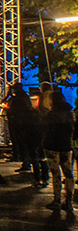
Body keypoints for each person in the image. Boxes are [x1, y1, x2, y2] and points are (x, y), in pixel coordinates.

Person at [43, 84, 74, 219]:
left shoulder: (51, 114)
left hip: (52, 146)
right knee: (68, 174)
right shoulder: (69, 113)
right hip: (66, 146)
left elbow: (47, 130)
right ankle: (69, 201)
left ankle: (56, 199)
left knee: (55, 173)